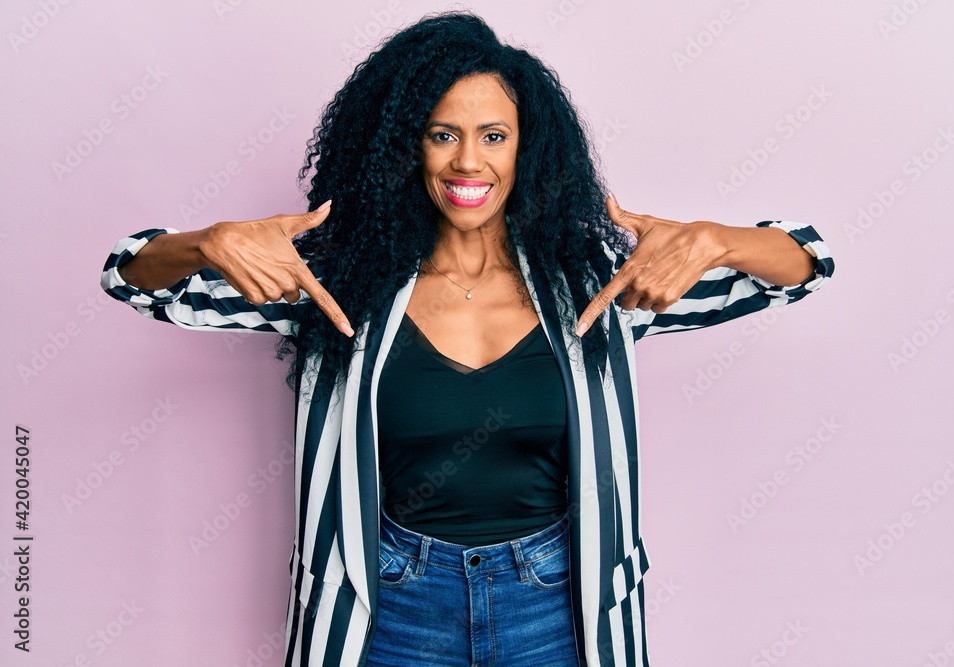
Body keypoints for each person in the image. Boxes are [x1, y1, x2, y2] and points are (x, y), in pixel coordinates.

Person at [99, 10, 834, 667]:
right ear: (403, 148)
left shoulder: (600, 281)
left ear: (527, 148)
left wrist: (715, 241)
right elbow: (131, 277)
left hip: (557, 604)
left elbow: (804, 263)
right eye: (441, 134)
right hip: (387, 605)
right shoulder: (331, 282)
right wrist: (209, 242)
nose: (467, 162)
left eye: (493, 136)